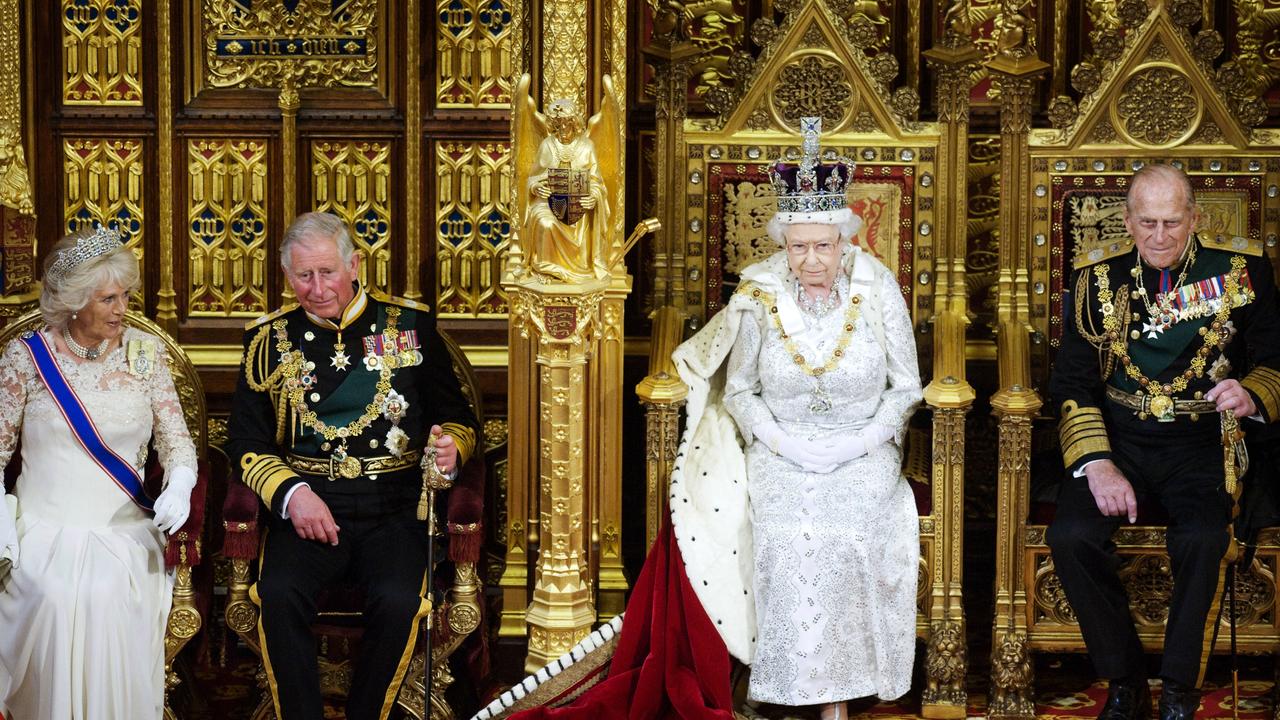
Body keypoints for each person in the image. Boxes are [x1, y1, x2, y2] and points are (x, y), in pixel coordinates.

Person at [477, 117, 922, 720]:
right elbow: (739, 391)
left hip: (864, 450)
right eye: (798, 246)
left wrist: (861, 442)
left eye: (824, 245)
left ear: (847, 241)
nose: (811, 259)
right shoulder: (758, 294)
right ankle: (791, 688)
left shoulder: (878, 289)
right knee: (790, 535)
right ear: (781, 245)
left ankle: (840, 697)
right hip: (781, 449)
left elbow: (907, 387)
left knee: (851, 532)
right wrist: (785, 444)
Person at [1047, 164, 1280, 720]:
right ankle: (1125, 682)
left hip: (1203, 441)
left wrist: (1250, 393)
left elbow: (1275, 358)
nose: (1159, 237)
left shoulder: (1240, 273)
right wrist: (1097, 463)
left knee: (1202, 538)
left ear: (1194, 218)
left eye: (1172, 222)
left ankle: (1179, 691)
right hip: (1120, 438)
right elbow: (1073, 384)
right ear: (1126, 222)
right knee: (1071, 535)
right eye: (1147, 222)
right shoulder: (1093, 282)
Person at [227, 211, 479, 720]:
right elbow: (246, 444)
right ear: (287, 277)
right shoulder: (268, 343)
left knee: (397, 599)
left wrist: (452, 445)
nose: (317, 288)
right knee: (277, 593)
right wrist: (294, 495)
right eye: (303, 276)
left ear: (355, 265)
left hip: (394, 510)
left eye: (327, 272)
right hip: (309, 511)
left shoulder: (409, 327)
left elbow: (459, 418)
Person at [0, 226, 198, 719]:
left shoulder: (145, 356)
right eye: (107, 298)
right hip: (39, 531)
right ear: (72, 301)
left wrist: (181, 483)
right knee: (54, 593)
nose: (121, 308)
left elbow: (177, 442)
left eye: (124, 295)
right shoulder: (26, 358)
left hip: (123, 531)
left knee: (105, 593)